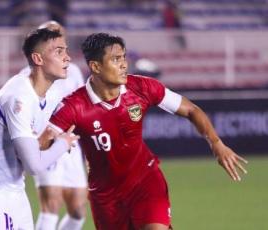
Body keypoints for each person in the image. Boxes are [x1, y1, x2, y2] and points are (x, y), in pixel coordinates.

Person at [43, 33, 248, 230]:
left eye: (123, 57)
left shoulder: (142, 87)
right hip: (106, 197)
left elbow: (191, 110)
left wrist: (216, 143)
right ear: (95, 66)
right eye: (115, 59)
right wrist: (55, 143)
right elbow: (42, 142)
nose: (124, 64)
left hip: (146, 182)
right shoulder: (73, 105)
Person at [0, 28, 79, 230]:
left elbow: (30, 149)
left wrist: (44, 141)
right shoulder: (19, 97)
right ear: (38, 58)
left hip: (14, 185)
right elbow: (34, 166)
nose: (67, 58)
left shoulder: (44, 94)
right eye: (59, 51)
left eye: (66, 51)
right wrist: (63, 144)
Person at [22, 21, 87, 230]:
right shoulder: (30, 73)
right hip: (48, 142)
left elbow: (83, 105)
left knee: (77, 210)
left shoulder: (73, 71)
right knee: (51, 206)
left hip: (71, 145)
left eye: (60, 35)